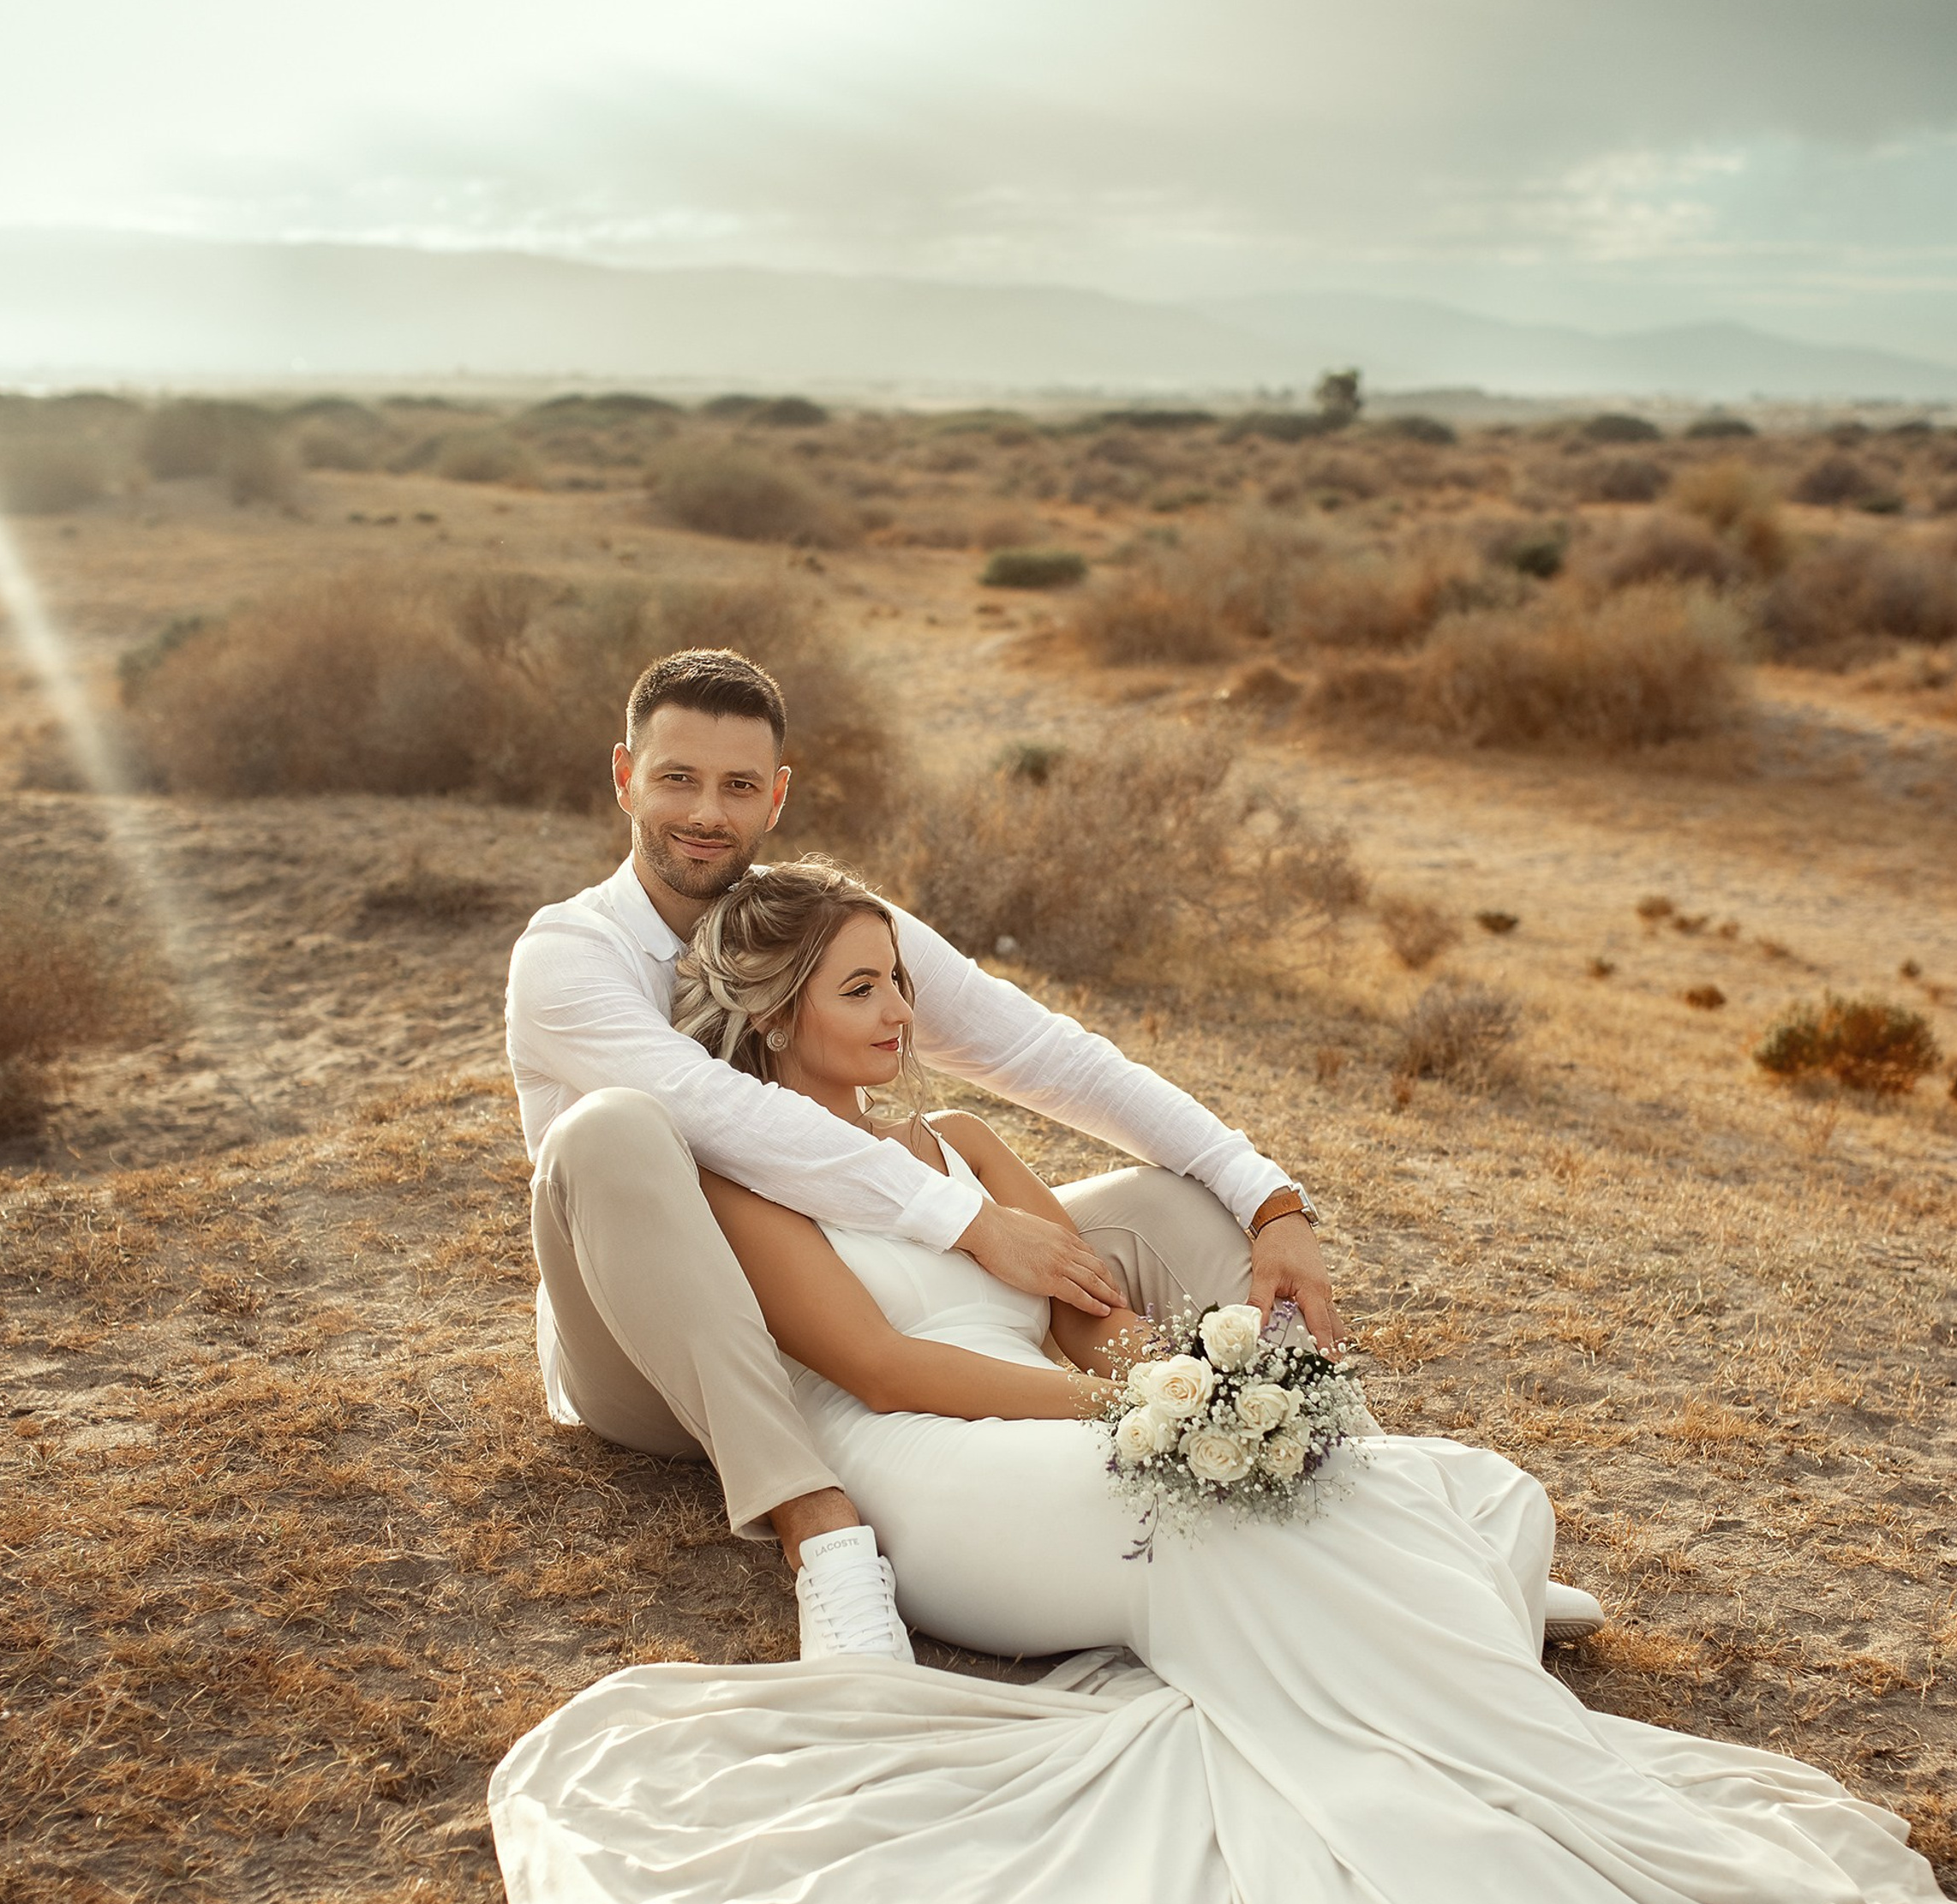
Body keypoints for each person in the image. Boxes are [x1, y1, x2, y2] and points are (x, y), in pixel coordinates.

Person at [488, 858, 1957, 1904]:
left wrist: (1171, 1379)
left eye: (901, 984)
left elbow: (1081, 1323)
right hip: (919, 1454)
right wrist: (1136, 1425)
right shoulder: (748, 1173)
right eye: (861, 995)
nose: (904, 1017)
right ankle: (1435, 1648)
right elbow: (883, 1361)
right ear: (774, 1022)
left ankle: (1425, 1613)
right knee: (1206, 1513)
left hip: (1045, 1412)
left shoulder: (962, 1144)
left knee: (1465, 1482)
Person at [505, 644, 1606, 1657]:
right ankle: (821, 1536)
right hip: (656, 1352)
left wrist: (1269, 1198)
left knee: (1177, 1205)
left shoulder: (820, 926)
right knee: (619, 1129)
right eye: (677, 778)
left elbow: (1050, 1057)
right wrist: (975, 1227)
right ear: (624, 777)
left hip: (844, 1282)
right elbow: (727, 1117)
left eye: (739, 785)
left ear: (778, 794)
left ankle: (1347, 1491)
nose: (707, 812)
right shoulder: (570, 953)